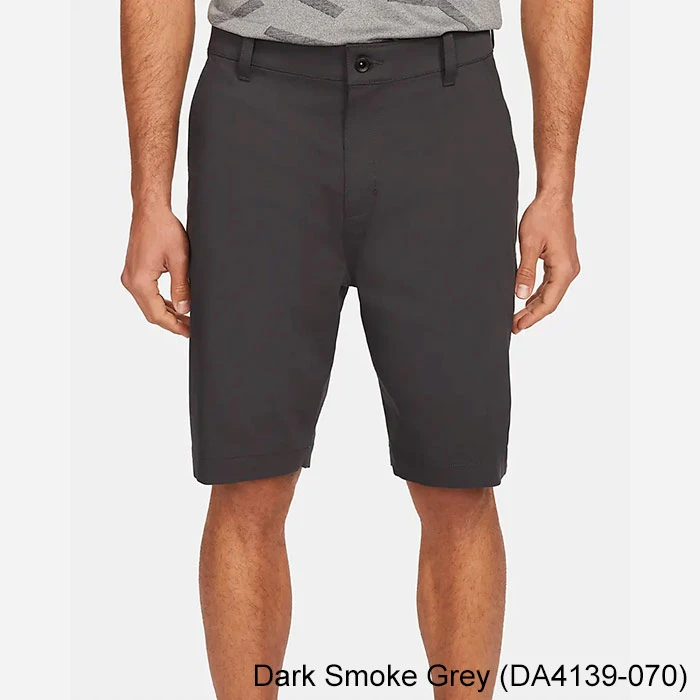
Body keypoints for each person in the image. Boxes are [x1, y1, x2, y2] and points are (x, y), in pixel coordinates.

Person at [120, 0, 591, 696]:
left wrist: (558, 189)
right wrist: (148, 198)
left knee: (459, 481)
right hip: (257, 111)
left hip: (445, 110)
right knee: (246, 478)